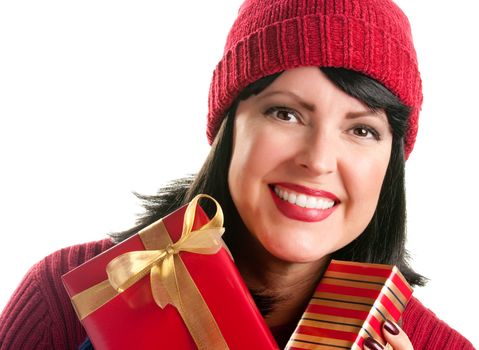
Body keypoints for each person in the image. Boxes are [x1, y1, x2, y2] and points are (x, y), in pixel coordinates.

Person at [0, 0, 475, 349]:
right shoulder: (66, 299)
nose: (319, 159)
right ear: (229, 129)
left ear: (391, 163)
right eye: (286, 114)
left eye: (362, 130)